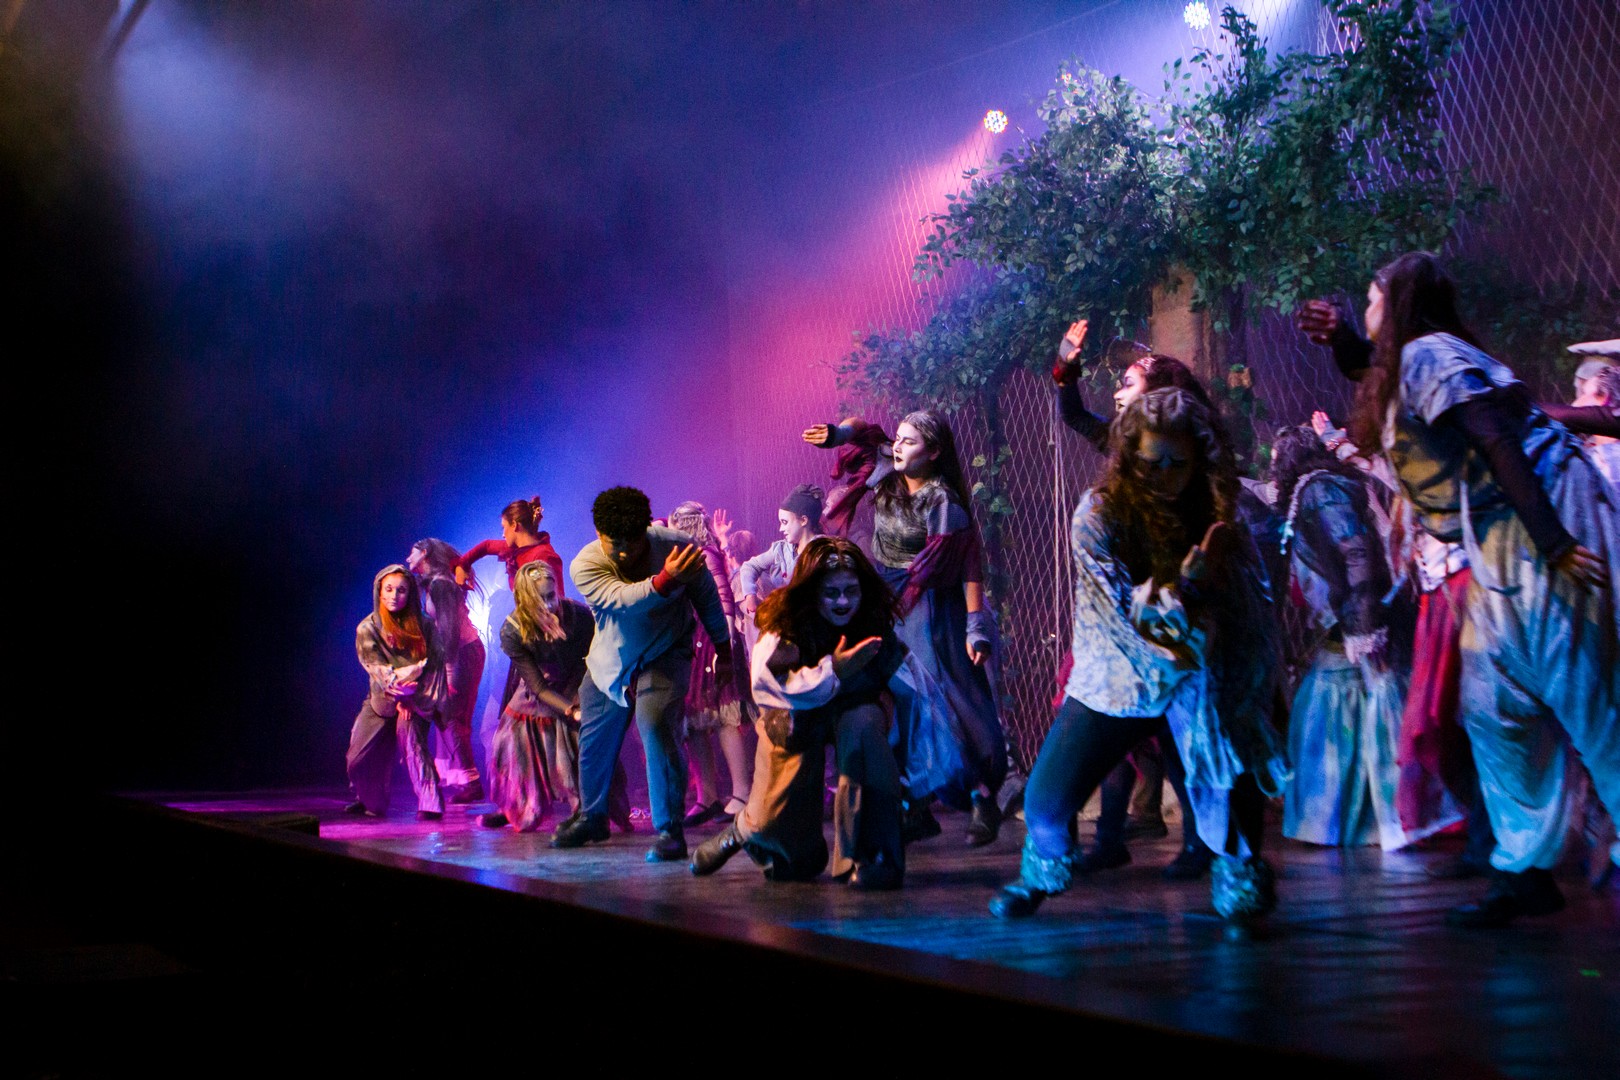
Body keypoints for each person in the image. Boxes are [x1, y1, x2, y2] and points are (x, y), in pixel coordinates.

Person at [1303, 252, 1617, 926]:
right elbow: (1368, 365)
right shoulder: (1409, 362)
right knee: (1491, 706)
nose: (1367, 308)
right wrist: (1341, 337)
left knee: (1582, 691)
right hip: (1501, 530)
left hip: (1540, 515)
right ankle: (1524, 869)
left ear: (1399, 305)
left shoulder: (1430, 356)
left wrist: (1556, 543)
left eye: (1373, 299)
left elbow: (1496, 440)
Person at [989, 389, 1288, 923]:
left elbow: (1251, 611)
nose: (1164, 476)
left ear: (1198, 462)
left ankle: (1241, 885)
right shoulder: (1099, 514)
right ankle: (1039, 876)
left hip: (1198, 673)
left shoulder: (1221, 514)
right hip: (1120, 671)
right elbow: (1125, 616)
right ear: (1129, 458)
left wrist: (1250, 695)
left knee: (1229, 782)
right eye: (1152, 463)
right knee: (1046, 804)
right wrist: (1187, 588)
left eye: (1178, 464)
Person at [805, 410, 1007, 847]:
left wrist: (975, 626)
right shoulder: (887, 471)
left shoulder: (942, 503)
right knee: (895, 700)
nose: (897, 446)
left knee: (942, 699)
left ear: (933, 452)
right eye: (898, 438)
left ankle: (982, 797)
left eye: (909, 441)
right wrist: (837, 434)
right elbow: (866, 433)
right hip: (886, 601)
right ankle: (915, 806)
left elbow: (968, 565)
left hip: (929, 607)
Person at [691, 537, 926, 889]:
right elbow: (768, 684)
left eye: (851, 591)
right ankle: (744, 831)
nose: (843, 602)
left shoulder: (873, 623)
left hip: (854, 707)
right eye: (832, 593)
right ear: (813, 590)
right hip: (795, 712)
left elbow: (913, 691)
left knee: (864, 729)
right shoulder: (787, 624)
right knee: (787, 840)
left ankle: (871, 854)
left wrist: (916, 775)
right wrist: (833, 671)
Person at [1269, 426, 1459, 849]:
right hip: (1347, 622)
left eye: (1276, 458)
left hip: (1357, 624)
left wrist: (1363, 621)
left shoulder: (1318, 490)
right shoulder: (1316, 490)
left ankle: (1373, 819)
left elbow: (1354, 549)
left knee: (1347, 712)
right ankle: (1354, 821)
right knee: (1334, 708)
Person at [552, 486, 733, 863]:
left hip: (666, 651)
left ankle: (670, 830)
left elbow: (707, 597)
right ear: (599, 534)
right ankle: (592, 817)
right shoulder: (586, 563)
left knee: (656, 725)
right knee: (594, 736)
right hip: (611, 657)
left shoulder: (676, 547)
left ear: (646, 531)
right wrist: (666, 580)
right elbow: (623, 601)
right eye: (613, 543)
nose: (622, 552)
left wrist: (724, 647)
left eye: (631, 543)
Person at [485, 560, 614, 831]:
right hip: (539, 687)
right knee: (510, 737)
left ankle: (587, 810)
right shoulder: (513, 630)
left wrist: (579, 702)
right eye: (539, 599)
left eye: (551, 596)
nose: (548, 605)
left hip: (577, 679)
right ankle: (521, 807)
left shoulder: (578, 616)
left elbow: (593, 659)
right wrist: (569, 709)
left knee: (577, 743)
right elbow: (538, 687)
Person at [667, 501, 752, 826]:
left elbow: (724, 598)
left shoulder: (706, 555)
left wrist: (725, 646)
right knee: (696, 719)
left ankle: (741, 793)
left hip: (711, 638)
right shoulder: (686, 557)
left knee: (724, 716)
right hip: (691, 639)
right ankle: (708, 796)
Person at [344, 565, 448, 820]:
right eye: (388, 589)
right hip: (383, 699)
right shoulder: (368, 628)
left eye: (401, 590)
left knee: (413, 744)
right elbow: (378, 669)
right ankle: (370, 799)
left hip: (418, 699)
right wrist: (400, 693)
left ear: (409, 593)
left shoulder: (425, 626)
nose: (394, 596)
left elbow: (435, 668)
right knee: (357, 758)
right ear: (379, 592)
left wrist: (413, 699)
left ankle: (431, 804)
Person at [407, 538, 486, 803]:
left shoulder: (441, 585)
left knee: (452, 715)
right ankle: (463, 778)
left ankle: (472, 783)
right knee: (448, 714)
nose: (408, 558)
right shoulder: (436, 583)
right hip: (461, 653)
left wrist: (446, 668)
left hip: (462, 653)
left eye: (412, 553)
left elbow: (450, 630)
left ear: (425, 553)